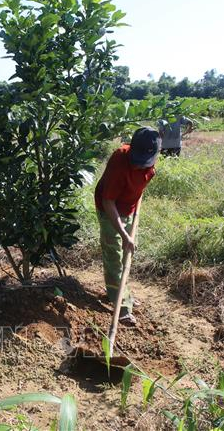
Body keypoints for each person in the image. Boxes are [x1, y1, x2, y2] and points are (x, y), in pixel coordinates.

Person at [94, 127, 160, 326]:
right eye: (137, 163)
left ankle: (123, 293)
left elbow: (141, 181)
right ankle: (122, 306)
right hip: (110, 209)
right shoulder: (119, 162)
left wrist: (128, 237)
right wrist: (123, 233)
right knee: (115, 254)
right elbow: (108, 202)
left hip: (130, 208)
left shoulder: (151, 154)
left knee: (128, 253)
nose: (140, 167)